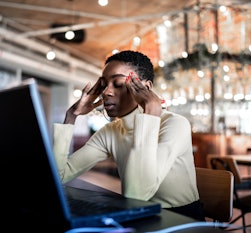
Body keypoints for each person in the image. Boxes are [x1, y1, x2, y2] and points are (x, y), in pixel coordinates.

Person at [52, 50, 205, 221]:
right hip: (137, 213)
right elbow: (59, 175)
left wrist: (150, 114)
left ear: (145, 88)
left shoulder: (175, 125)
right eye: (103, 85)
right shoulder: (112, 131)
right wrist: (71, 115)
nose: (106, 92)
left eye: (117, 83)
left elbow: (137, 194)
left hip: (181, 218)